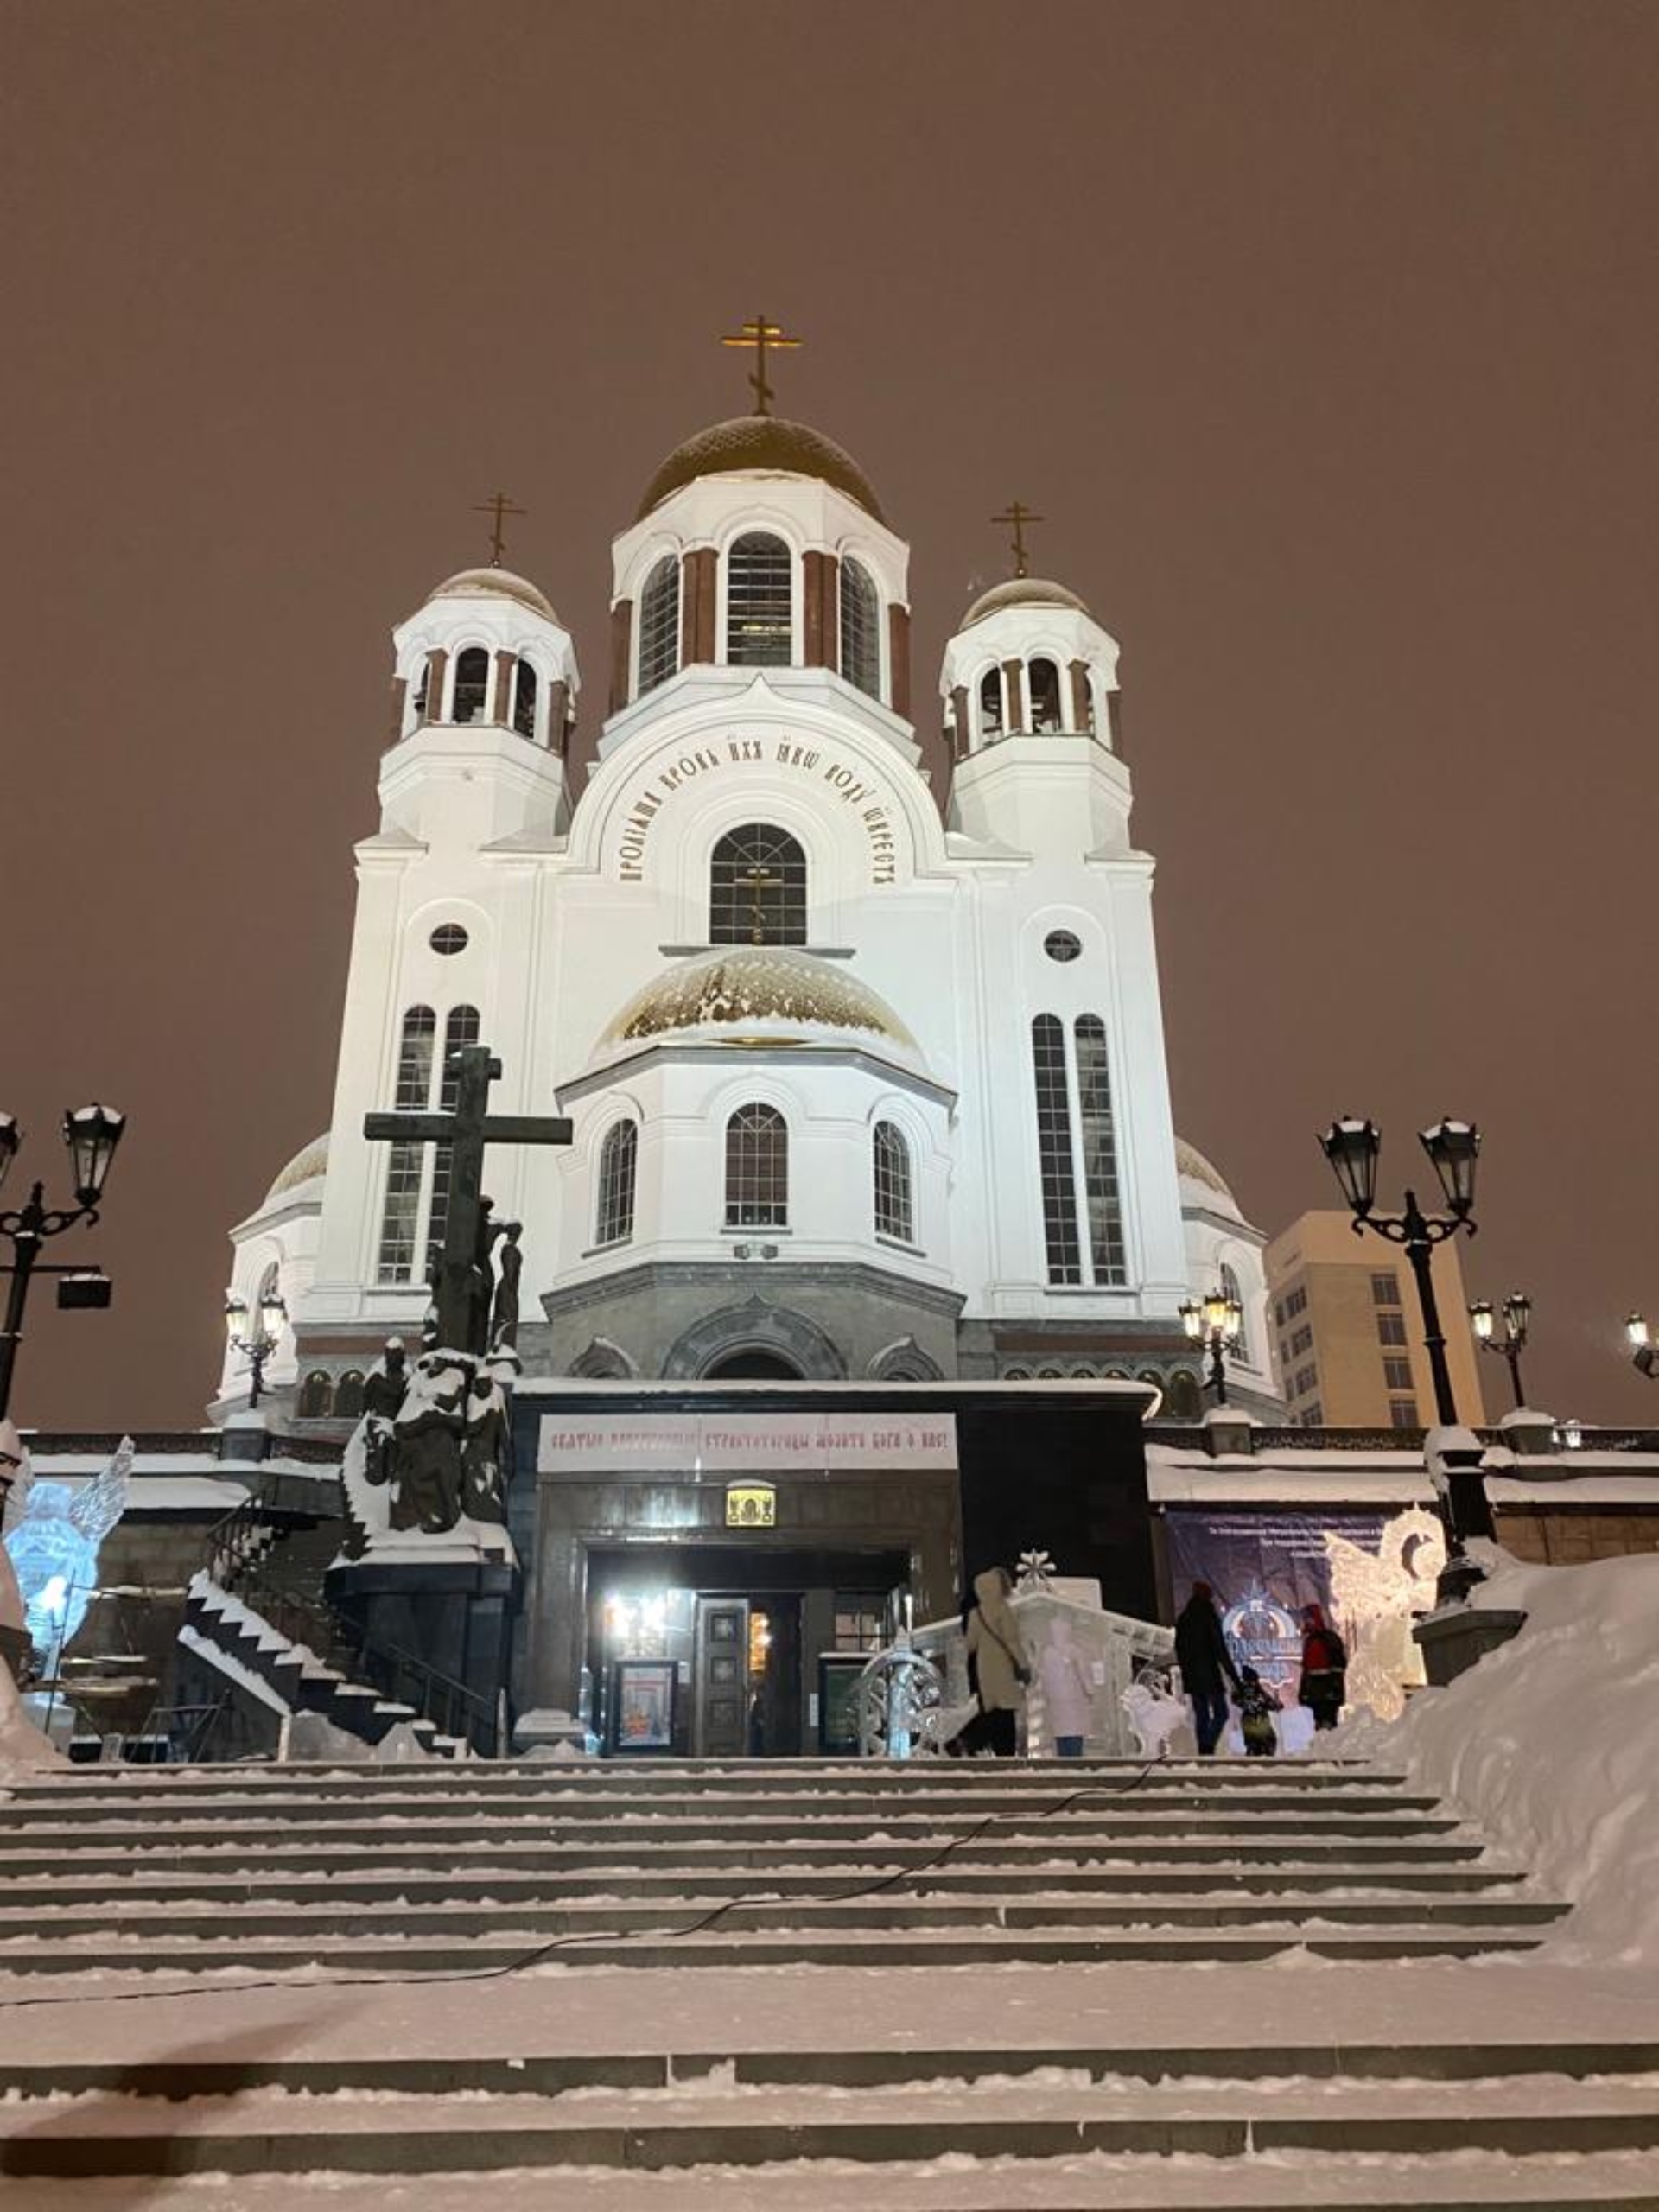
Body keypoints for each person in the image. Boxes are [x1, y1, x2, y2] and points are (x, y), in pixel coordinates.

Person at [945, 1567, 1030, 1757]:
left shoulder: (974, 1612)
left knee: (992, 1712)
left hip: (982, 1669)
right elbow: (1012, 1641)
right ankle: (978, 1744)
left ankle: (968, 1742)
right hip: (1001, 1670)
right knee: (1002, 1713)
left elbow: (970, 1644)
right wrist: (1023, 1666)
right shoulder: (1001, 1610)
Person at [1173, 1581, 1240, 1756]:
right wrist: (1234, 1678)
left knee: (1201, 1715)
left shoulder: (1184, 1617)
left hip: (1192, 1676)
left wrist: (1186, 1670)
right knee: (1221, 1713)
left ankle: (1204, 1751)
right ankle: (1207, 1745)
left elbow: (1179, 1648)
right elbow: (1220, 1648)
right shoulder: (1208, 1615)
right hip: (1209, 1673)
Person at [1038, 1615, 1095, 1757]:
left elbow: (1043, 1677)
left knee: (1064, 1736)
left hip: (1059, 1702)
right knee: (1072, 1736)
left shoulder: (1048, 1652)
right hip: (1071, 1701)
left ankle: (1066, 1762)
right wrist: (1090, 1691)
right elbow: (1083, 1674)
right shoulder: (1073, 1650)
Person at [1299, 1602, 1348, 1731]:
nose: (1307, 1622)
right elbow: (1306, 1670)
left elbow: (1339, 1666)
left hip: (1327, 1694)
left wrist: (1335, 1690)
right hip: (1316, 1694)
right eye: (1306, 1619)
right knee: (1320, 1727)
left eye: (1308, 1619)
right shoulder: (1310, 1641)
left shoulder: (1329, 1639)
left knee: (1328, 1727)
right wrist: (1303, 1691)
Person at [1236, 1666, 1280, 1758]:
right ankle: (1267, 1756)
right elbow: (1271, 1704)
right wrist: (1277, 1705)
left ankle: (1251, 1750)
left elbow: (1237, 1701)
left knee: (1251, 1742)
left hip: (1247, 1722)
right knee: (1270, 1741)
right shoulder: (1259, 1692)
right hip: (1261, 1722)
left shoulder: (1241, 1691)